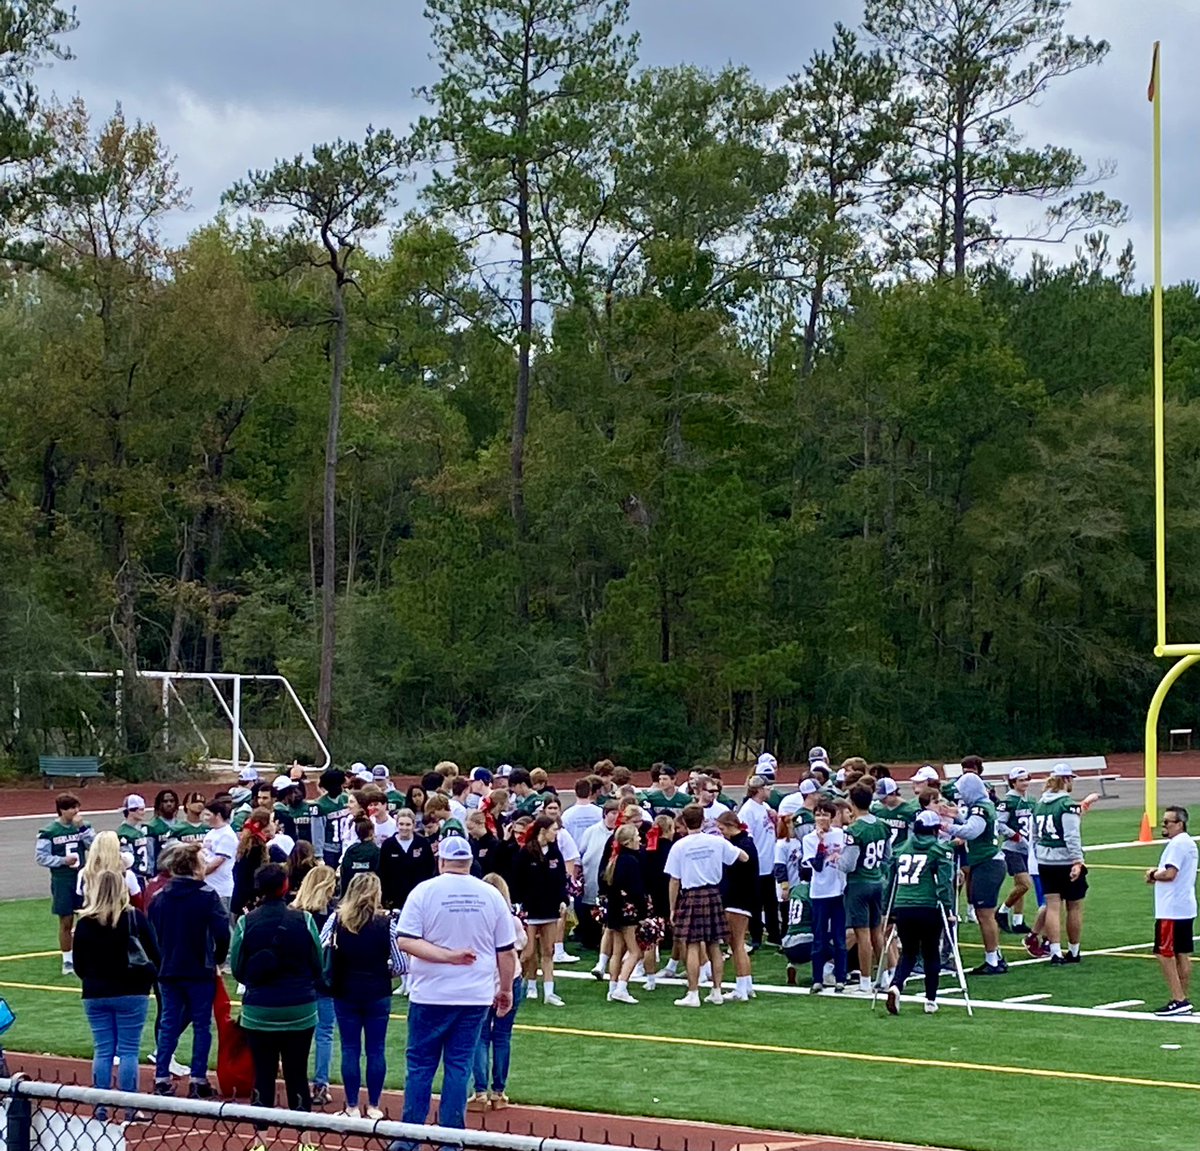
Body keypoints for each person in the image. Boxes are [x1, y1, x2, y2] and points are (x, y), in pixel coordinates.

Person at [391, 836, 517, 1142]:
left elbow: (406, 940)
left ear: (441, 861)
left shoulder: (424, 892)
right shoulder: (491, 895)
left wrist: (447, 956)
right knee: (459, 1067)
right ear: (470, 862)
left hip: (431, 995)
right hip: (474, 995)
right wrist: (506, 989)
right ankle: (451, 1138)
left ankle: (410, 1136)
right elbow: (506, 950)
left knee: (420, 1066)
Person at [229, 863, 324, 1115]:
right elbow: (318, 963)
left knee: (263, 1075)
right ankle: (306, 1141)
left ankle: (261, 1140)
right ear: (285, 886)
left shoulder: (245, 923)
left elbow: (238, 968)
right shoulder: (304, 920)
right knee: (297, 1074)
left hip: (260, 1010)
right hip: (300, 1008)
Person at [73, 869, 159, 1121]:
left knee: (103, 1050)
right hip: (132, 990)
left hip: (96, 993)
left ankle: (101, 1105)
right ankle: (130, 1106)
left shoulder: (85, 923)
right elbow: (155, 954)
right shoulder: (134, 918)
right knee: (129, 1050)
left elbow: (79, 964)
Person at [148, 843, 230, 1099]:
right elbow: (222, 932)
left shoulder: (160, 897)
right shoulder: (207, 895)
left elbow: (153, 933)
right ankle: (198, 1078)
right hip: (199, 968)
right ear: (195, 867)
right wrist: (216, 959)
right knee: (201, 1025)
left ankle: (161, 1076)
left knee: (169, 1022)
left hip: (169, 968)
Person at [320, 873, 405, 1119]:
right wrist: (382, 971)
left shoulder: (337, 920)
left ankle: (352, 1106)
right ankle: (375, 1106)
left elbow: (321, 946)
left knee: (350, 1048)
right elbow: (401, 964)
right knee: (376, 1049)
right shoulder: (386, 922)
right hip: (377, 991)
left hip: (345, 991)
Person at [664, 804, 748, 1008]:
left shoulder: (680, 846)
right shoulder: (716, 841)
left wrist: (672, 908)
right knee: (714, 944)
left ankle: (693, 993)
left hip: (692, 895)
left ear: (683, 822)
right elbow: (744, 857)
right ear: (703, 821)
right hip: (713, 894)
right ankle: (716, 991)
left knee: (692, 944)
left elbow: (674, 880)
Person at [885, 809, 956, 1015]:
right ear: (934, 829)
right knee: (931, 952)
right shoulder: (939, 850)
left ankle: (897, 985)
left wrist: (887, 909)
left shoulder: (901, 849)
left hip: (903, 905)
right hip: (928, 907)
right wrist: (948, 908)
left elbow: (891, 882)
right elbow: (944, 884)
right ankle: (930, 999)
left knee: (908, 951)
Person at [468, 873, 526, 1111]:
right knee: (502, 1036)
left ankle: (480, 1092)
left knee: (480, 1036)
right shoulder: (511, 920)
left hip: (481, 980)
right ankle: (498, 1092)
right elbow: (521, 945)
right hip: (508, 978)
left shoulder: (474, 919)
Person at [946, 772, 1007, 975]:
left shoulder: (981, 807)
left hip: (987, 863)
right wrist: (958, 816)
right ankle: (995, 956)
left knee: (985, 913)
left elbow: (972, 831)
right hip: (987, 862)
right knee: (985, 913)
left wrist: (946, 826)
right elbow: (975, 826)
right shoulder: (984, 805)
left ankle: (992, 959)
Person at [291, 864, 339, 1107]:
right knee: (324, 1034)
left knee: (299, 1034)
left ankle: (296, 1081)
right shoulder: (332, 916)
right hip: (322, 981)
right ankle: (320, 1084)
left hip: (298, 981)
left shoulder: (295, 914)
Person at [1033, 764, 1087, 964]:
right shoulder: (1067, 804)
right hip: (1065, 860)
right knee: (1074, 907)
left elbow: (1035, 835)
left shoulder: (1039, 804)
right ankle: (1073, 950)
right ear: (1065, 780)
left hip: (1045, 860)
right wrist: (1077, 860)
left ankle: (1055, 951)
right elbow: (1072, 836)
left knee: (1053, 906)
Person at [1147, 805, 1198, 1016]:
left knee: (1164, 954)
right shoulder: (1188, 843)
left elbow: (1170, 873)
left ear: (1180, 824)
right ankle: (1181, 997)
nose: (1164, 825)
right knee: (1181, 954)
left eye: (1167, 822)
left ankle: (1179, 999)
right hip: (1184, 906)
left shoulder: (1178, 845)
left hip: (1171, 909)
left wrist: (1152, 874)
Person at [839, 783, 891, 993]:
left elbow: (848, 864)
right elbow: (887, 856)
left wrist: (835, 858)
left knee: (863, 935)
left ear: (851, 803)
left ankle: (865, 981)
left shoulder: (854, 830)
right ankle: (885, 977)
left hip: (859, 883)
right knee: (877, 932)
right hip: (877, 881)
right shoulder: (881, 825)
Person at [511, 815, 568, 1005]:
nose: (556, 833)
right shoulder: (525, 853)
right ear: (543, 831)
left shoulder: (555, 853)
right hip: (530, 910)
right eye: (553, 829)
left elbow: (561, 878)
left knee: (548, 951)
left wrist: (563, 900)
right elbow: (516, 880)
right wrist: (519, 904)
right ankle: (523, 984)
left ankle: (549, 992)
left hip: (549, 908)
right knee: (527, 953)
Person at [35, 793, 95, 975]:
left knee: (87, 919)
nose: (76, 811)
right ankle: (67, 960)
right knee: (66, 920)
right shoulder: (49, 832)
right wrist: (62, 861)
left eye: (77, 807)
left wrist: (83, 828)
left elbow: (94, 846)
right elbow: (41, 857)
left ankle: (87, 955)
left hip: (83, 878)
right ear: (62, 810)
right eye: (71, 808)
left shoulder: (83, 827)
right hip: (63, 880)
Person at [802, 800, 847, 993]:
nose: (822, 818)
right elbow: (817, 866)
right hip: (820, 892)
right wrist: (821, 843)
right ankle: (817, 978)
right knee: (819, 937)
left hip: (838, 891)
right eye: (818, 814)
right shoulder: (809, 839)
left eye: (825, 815)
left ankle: (841, 977)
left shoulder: (841, 835)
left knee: (839, 937)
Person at [602, 824, 648, 1004]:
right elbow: (636, 890)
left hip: (615, 910)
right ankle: (621, 988)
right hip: (628, 912)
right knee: (635, 952)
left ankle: (612, 988)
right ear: (628, 842)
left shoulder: (616, 859)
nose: (640, 839)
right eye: (636, 836)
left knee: (617, 951)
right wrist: (643, 912)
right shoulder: (631, 861)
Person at [715, 810, 759, 1001]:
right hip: (743, 899)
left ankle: (741, 988)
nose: (721, 832)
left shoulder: (742, 846)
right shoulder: (744, 842)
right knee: (737, 943)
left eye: (722, 828)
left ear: (732, 826)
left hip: (738, 899)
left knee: (737, 944)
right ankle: (746, 985)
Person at [738, 776, 779, 948]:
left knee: (771, 901)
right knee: (756, 902)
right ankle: (756, 936)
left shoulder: (766, 807)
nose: (770, 791)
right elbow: (748, 838)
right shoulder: (748, 811)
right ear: (759, 790)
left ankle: (774, 934)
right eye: (767, 788)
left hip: (769, 862)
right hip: (757, 863)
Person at [580, 801, 620, 967]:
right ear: (605, 814)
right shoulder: (592, 832)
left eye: (618, 813)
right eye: (612, 813)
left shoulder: (621, 833)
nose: (615, 816)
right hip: (592, 880)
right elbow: (582, 853)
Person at [996, 768, 1035, 934]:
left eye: (1026, 779)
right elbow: (999, 824)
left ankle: (1018, 920)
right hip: (1013, 848)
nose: (1025, 783)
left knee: (1020, 885)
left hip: (1028, 848)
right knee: (1025, 884)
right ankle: (1002, 911)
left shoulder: (1031, 800)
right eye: (1021, 780)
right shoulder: (1008, 801)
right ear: (1013, 782)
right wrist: (1014, 835)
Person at [379, 809, 437, 910]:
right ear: (396, 824)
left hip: (418, 898)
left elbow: (430, 870)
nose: (404, 828)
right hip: (395, 899)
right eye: (401, 824)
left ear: (414, 825)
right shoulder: (388, 845)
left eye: (408, 824)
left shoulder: (422, 843)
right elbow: (382, 873)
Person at [201, 800, 237, 918]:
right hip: (209, 886)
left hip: (222, 890)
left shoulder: (227, 835)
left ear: (218, 815)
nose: (205, 818)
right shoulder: (211, 833)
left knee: (224, 922)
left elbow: (218, 862)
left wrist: (198, 873)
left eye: (208, 815)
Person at [314, 768, 351, 869]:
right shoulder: (319, 805)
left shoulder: (347, 799)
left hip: (346, 845)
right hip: (329, 848)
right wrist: (319, 855)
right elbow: (317, 831)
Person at [116, 794, 153, 884]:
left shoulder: (143, 829)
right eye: (140, 810)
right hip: (133, 877)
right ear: (131, 811)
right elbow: (127, 859)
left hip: (144, 876)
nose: (143, 812)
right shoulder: (123, 833)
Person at [340, 817, 382, 896]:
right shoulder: (376, 851)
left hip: (351, 894)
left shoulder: (350, 851)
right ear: (372, 831)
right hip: (370, 895)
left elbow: (344, 876)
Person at [145, 790, 181, 867]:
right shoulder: (152, 827)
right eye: (165, 801)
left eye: (172, 801)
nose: (169, 804)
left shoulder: (181, 826)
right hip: (161, 871)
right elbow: (149, 855)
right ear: (159, 804)